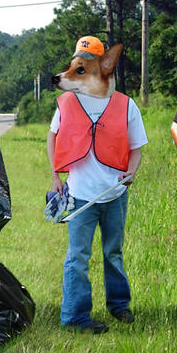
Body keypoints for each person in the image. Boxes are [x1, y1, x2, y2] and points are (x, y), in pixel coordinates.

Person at [48, 36, 148, 333]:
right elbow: (52, 137)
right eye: (72, 67)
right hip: (79, 195)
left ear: (105, 67)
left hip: (114, 194)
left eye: (80, 70)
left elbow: (137, 148)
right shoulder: (66, 103)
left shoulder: (126, 106)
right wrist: (55, 176)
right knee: (77, 256)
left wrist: (131, 172)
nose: (69, 75)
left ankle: (119, 305)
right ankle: (75, 316)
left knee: (113, 252)